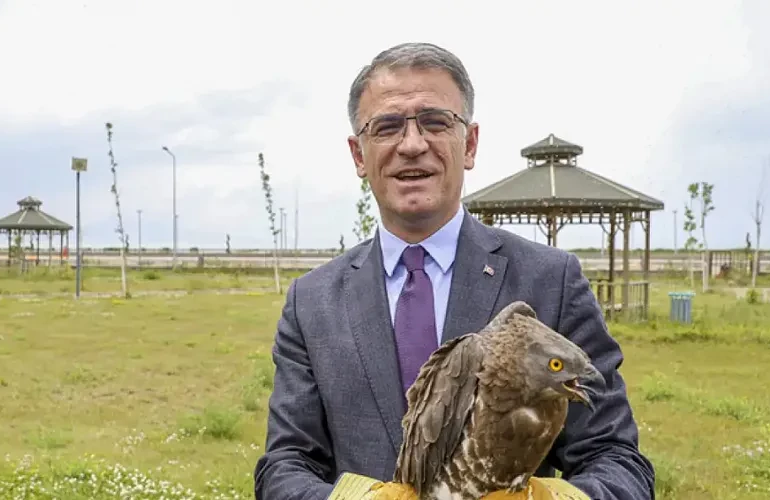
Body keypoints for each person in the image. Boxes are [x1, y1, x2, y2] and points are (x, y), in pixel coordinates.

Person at [254, 42, 655, 500]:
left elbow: (618, 461)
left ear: (469, 144)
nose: (412, 145)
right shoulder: (312, 302)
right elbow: (285, 467)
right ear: (359, 155)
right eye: (386, 127)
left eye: (435, 121)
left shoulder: (551, 280)